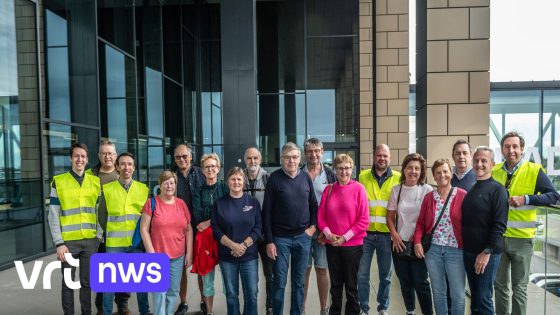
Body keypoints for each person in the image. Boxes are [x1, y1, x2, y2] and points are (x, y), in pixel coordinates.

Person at [492, 131, 560, 315]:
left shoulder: (534, 170)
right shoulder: (494, 171)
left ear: (522, 149)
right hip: (498, 238)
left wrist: (527, 199)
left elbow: (555, 196)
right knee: (500, 287)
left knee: (519, 289)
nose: (511, 150)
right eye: (507, 146)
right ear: (502, 150)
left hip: (522, 241)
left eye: (515, 146)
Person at [263, 142, 318, 315]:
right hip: (280, 240)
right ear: (282, 159)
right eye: (287, 157)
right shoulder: (274, 179)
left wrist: (312, 228)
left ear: (299, 158)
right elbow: (266, 213)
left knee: (299, 282)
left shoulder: (305, 177)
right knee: (279, 281)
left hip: (303, 237)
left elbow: (314, 205)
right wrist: (270, 241)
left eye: (295, 157)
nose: (291, 161)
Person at [48, 143, 102, 315]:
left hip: (90, 241)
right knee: (68, 283)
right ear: (71, 158)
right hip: (68, 243)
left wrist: (98, 236)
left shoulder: (95, 182)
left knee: (87, 283)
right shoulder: (59, 181)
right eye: (76, 156)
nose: (80, 159)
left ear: (87, 160)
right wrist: (59, 243)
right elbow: (53, 215)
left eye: (83, 156)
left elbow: (98, 211)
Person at [317, 154, 369, 315]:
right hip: (332, 244)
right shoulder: (329, 189)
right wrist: (329, 234)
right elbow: (321, 216)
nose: (343, 171)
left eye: (347, 168)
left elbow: (364, 219)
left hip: (352, 246)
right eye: (340, 168)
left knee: (351, 286)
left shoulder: (359, 189)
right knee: (336, 284)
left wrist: (344, 237)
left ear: (351, 169)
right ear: (335, 170)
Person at [414, 159, 467, 315]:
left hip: (455, 251)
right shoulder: (429, 198)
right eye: (438, 172)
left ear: (451, 173)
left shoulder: (462, 195)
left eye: (445, 171)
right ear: (434, 177)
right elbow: (420, 224)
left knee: (458, 294)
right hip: (433, 251)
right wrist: (417, 242)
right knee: (438, 292)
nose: (442, 175)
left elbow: (470, 223)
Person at [102, 152, 151, 315]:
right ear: (117, 167)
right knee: (109, 284)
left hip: (136, 243)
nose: (126, 167)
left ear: (134, 168)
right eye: (122, 164)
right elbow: (101, 216)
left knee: (141, 283)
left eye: (129, 164)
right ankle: (107, 312)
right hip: (114, 243)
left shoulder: (143, 189)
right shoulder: (107, 189)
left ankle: (144, 311)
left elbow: (147, 219)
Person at [462, 147, 509, 315]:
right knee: (475, 299)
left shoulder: (498, 190)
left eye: (484, 161)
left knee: (483, 299)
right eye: (476, 161)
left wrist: (486, 252)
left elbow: (499, 225)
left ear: (493, 164)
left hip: (487, 254)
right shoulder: (473, 189)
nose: (479, 164)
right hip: (469, 252)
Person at [386, 153, 433, 315]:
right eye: (410, 168)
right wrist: (395, 235)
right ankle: (410, 311)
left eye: (417, 168)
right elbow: (390, 217)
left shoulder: (427, 190)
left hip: (419, 246)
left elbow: (430, 220)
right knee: (405, 282)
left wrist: (418, 237)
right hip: (399, 244)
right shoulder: (396, 190)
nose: (413, 171)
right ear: (404, 169)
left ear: (421, 171)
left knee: (421, 283)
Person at [140, 171, 193, 315]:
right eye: (166, 183)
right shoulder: (151, 203)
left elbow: (188, 229)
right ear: (160, 184)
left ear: (175, 185)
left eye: (172, 183)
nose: (169, 186)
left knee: (173, 291)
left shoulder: (181, 204)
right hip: (158, 256)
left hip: (178, 256)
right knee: (159, 293)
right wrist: (151, 254)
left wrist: (189, 253)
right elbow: (143, 229)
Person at [357, 144, 401, 315]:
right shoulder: (362, 177)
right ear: (373, 156)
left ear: (389, 158)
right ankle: (363, 308)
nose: (382, 158)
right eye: (379, 155)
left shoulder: (398, 177)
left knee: (386, 276)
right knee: (362, 275)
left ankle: (383, 308)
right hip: (365, 234)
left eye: (385, 156)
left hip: (387, 235)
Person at [212, 167, 262, 315]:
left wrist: (244, 245)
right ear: (227, 182)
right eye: (233, 179)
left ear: (244, 181)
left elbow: (258, 229)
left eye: (239, 179)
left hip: (250, 257)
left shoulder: (253, 202)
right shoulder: (219, 204)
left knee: (252, 294)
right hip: (227, 257)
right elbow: (216, 230)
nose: (236, 182)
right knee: (231, 295)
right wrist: (233, 245)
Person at [87, 141, 126, 315]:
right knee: (102, 272)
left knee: (121, 271)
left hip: (119, 232)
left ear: (115, 155)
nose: (107, 156)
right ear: (99, 156)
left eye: (110, 153)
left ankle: (122, 304)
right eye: (104, 153)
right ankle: (101, 307)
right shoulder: (90, 176)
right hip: (96, 234)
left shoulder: (123, 176)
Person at [302, 138, 336, 315]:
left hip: (323, 232)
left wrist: (326, 230)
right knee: (304, 271)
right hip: (304, 232)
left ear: (322, 152)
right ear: (305, 153)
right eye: (309, 151)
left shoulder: (330, 175)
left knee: (322, 270)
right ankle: (302, 309)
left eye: (317, 150)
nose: (313, 154)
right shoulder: (299, 173)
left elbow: (335, 204)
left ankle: (324, 309)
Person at [192, 153, 228, 315]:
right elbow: (198, 216)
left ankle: (231, 310)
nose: (210, 169)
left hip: (225, 239)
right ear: (203, 171)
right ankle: (210, 311)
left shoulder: (225, 188)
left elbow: (229, 213)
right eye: (207, 167)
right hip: (206, 240)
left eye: (213, 166)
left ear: (218, 168)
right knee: (208, 280)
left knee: (229, 281)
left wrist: (210, 219)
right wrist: (217, 213)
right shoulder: (198, 191)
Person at [172, 143, 205, 315]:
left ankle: (204, 301)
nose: (182, 159)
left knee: (201, 267)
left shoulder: (201, 173)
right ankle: (183, 302)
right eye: (178, 157)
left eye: (185, 156)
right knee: (179, 268)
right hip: (178, 230)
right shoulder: (172, 176)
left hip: (199, 228)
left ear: (191, 157)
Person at [242, 147, 273, 315]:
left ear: (260, 159)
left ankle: (270, 307)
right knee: (249, 276)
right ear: (245, 159)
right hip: (246, 237)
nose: (252, 161)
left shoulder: (268, 178)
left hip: (265, 235)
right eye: (249, 158)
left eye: (255, 158)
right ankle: (250, 308)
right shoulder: (239, 178)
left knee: (271, 275)